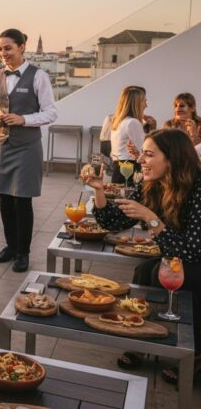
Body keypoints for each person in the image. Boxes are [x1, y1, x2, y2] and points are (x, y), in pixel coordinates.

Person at [84, 129, 201, 383]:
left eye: (149, 154)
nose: (140, 160)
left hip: (196, 260)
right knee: (144, 271)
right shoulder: (151, 184)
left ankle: (197, 355)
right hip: (178, 256)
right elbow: (111, 222)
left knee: (174, 274)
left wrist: (151, 219)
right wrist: (99, 191)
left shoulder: (198, 187)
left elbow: (192, 251)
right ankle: (143, 336)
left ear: (173, 159)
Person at [0, 29, 57, 273]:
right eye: (0, 49)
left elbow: (51, 112)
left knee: (22, 201)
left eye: (8, 48)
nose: (3, 53)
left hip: (27, 147)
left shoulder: (39, 77)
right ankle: (10, 246)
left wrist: (23, 119)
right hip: (1, 145)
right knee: (4, 199)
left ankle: (23, 252)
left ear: (22, 47)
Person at [109, 86, 147, 184]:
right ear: (136, 103)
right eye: (144, 101)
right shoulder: (132, 122)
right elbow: (144, 151)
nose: (146, 105)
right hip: (129, 170)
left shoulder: (119, 122)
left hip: (118, 169)